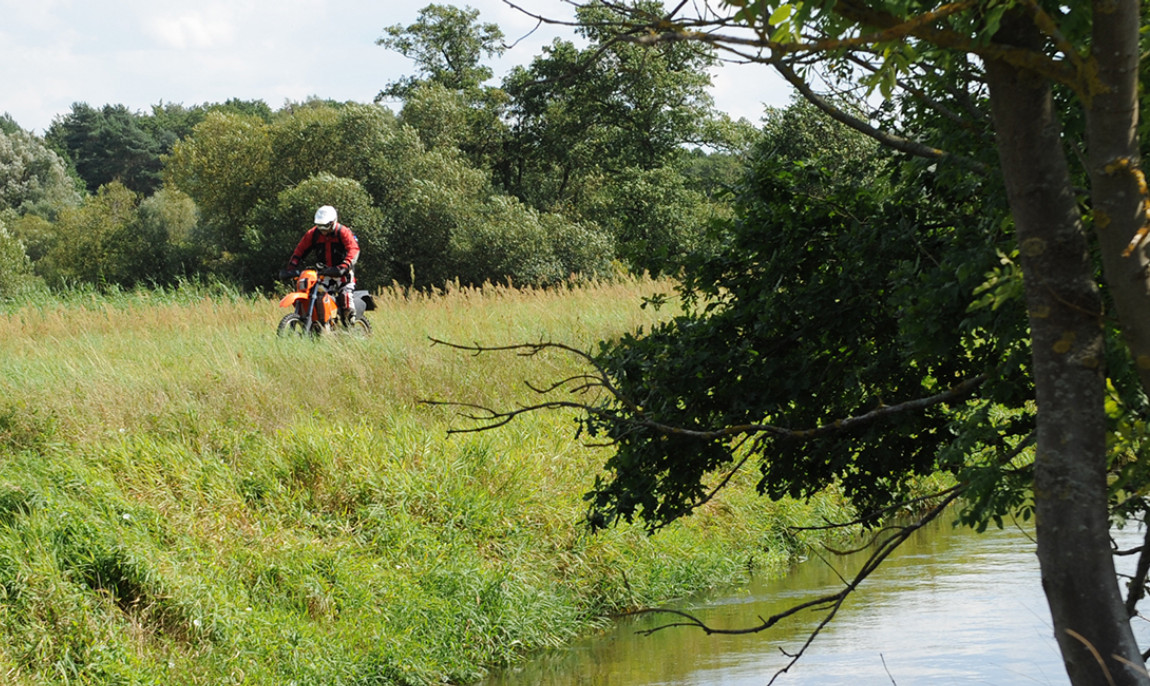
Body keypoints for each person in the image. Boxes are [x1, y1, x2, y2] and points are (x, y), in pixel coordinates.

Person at [281, 205, 361, 323]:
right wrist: (291, 267)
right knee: (317, 295)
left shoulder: (342, 232)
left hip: (342, 273)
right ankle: (321, 324)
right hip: (324, 273)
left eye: (325, 226)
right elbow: (300, 251)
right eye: (319, 226)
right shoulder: (313, 234)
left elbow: (353, 249)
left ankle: (350, 325)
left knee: (346, 299)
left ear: (333, 222)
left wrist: (344, 266)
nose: (322, 229)